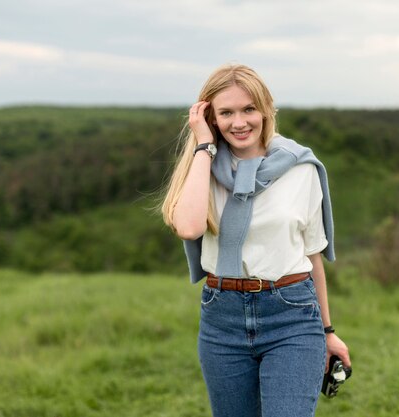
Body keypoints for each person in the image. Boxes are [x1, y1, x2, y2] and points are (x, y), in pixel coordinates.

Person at [160, 63, 351, 417]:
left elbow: (312, 257)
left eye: (249, 109)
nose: (239, 122)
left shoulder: (301, 168)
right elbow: (188, 227)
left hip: (291, 315)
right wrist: (203, 146)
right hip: (223, 319)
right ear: (210, 117)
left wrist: (327, 331)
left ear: (266, 109)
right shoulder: (202, 169)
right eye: (226, 112)